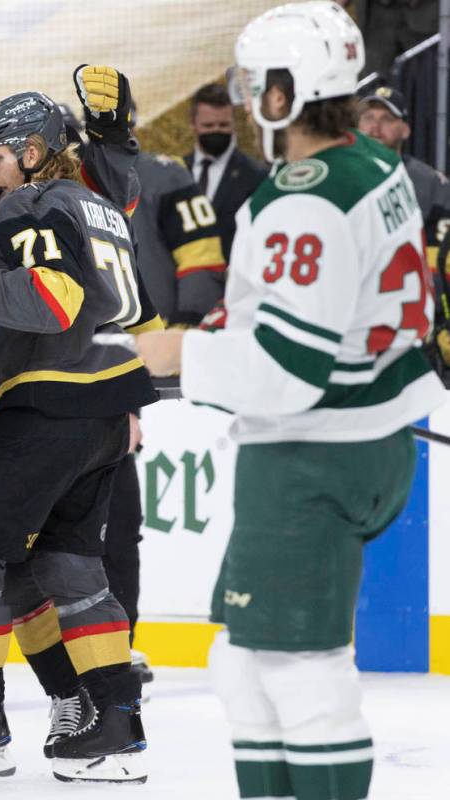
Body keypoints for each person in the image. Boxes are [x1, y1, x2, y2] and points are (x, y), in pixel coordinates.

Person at [135, 4, 444, 799]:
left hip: (311, 455)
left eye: (251, 82)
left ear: (283, 93)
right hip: (366, 441)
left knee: (300, 676)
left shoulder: (299, 200)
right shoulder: (376, 167)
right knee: (244, 665)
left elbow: (286, 369)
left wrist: (178, 352)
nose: (241, 99)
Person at [0, 91, 160, 784]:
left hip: (51, 402)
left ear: (30, 153)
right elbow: (132, 305)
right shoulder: (97, 205)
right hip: (107, 406)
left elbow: (52, 301)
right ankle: (115, 724)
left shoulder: (28, 203)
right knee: (68, 562)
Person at [73, 67, 227, 327]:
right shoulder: (67, 183)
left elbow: (201, 258)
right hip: (103, 344)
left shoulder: (167, 176)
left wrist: (188, 320)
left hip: (154, 335)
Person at [357, 84, 450, 270]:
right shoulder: (339, 174)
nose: (375, 127)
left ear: (405, 130)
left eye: (387, 119)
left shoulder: (429, 182)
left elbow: (441, 257)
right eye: (368, 118)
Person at [184, 82, 268, 262]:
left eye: (223, 125)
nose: (216, 131)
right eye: (208, 125)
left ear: (234, 124)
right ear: (193, 124)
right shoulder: (178, 171)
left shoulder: (256, 175)